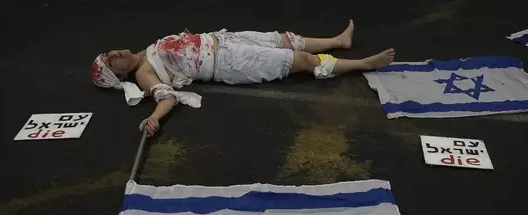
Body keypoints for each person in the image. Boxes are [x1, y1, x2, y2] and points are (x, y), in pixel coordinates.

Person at [91, 20, 395, 136]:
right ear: (119, 74)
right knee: (301, 62)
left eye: (108, 53)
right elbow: (166, 96)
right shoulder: (144, 73)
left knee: (283, 39)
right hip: (229, 62)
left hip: (223, 40)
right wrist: (155, 118)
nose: (114, 54)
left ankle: (337, 41)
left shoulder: (147, 50)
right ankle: (363, 64)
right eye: (111, 61)